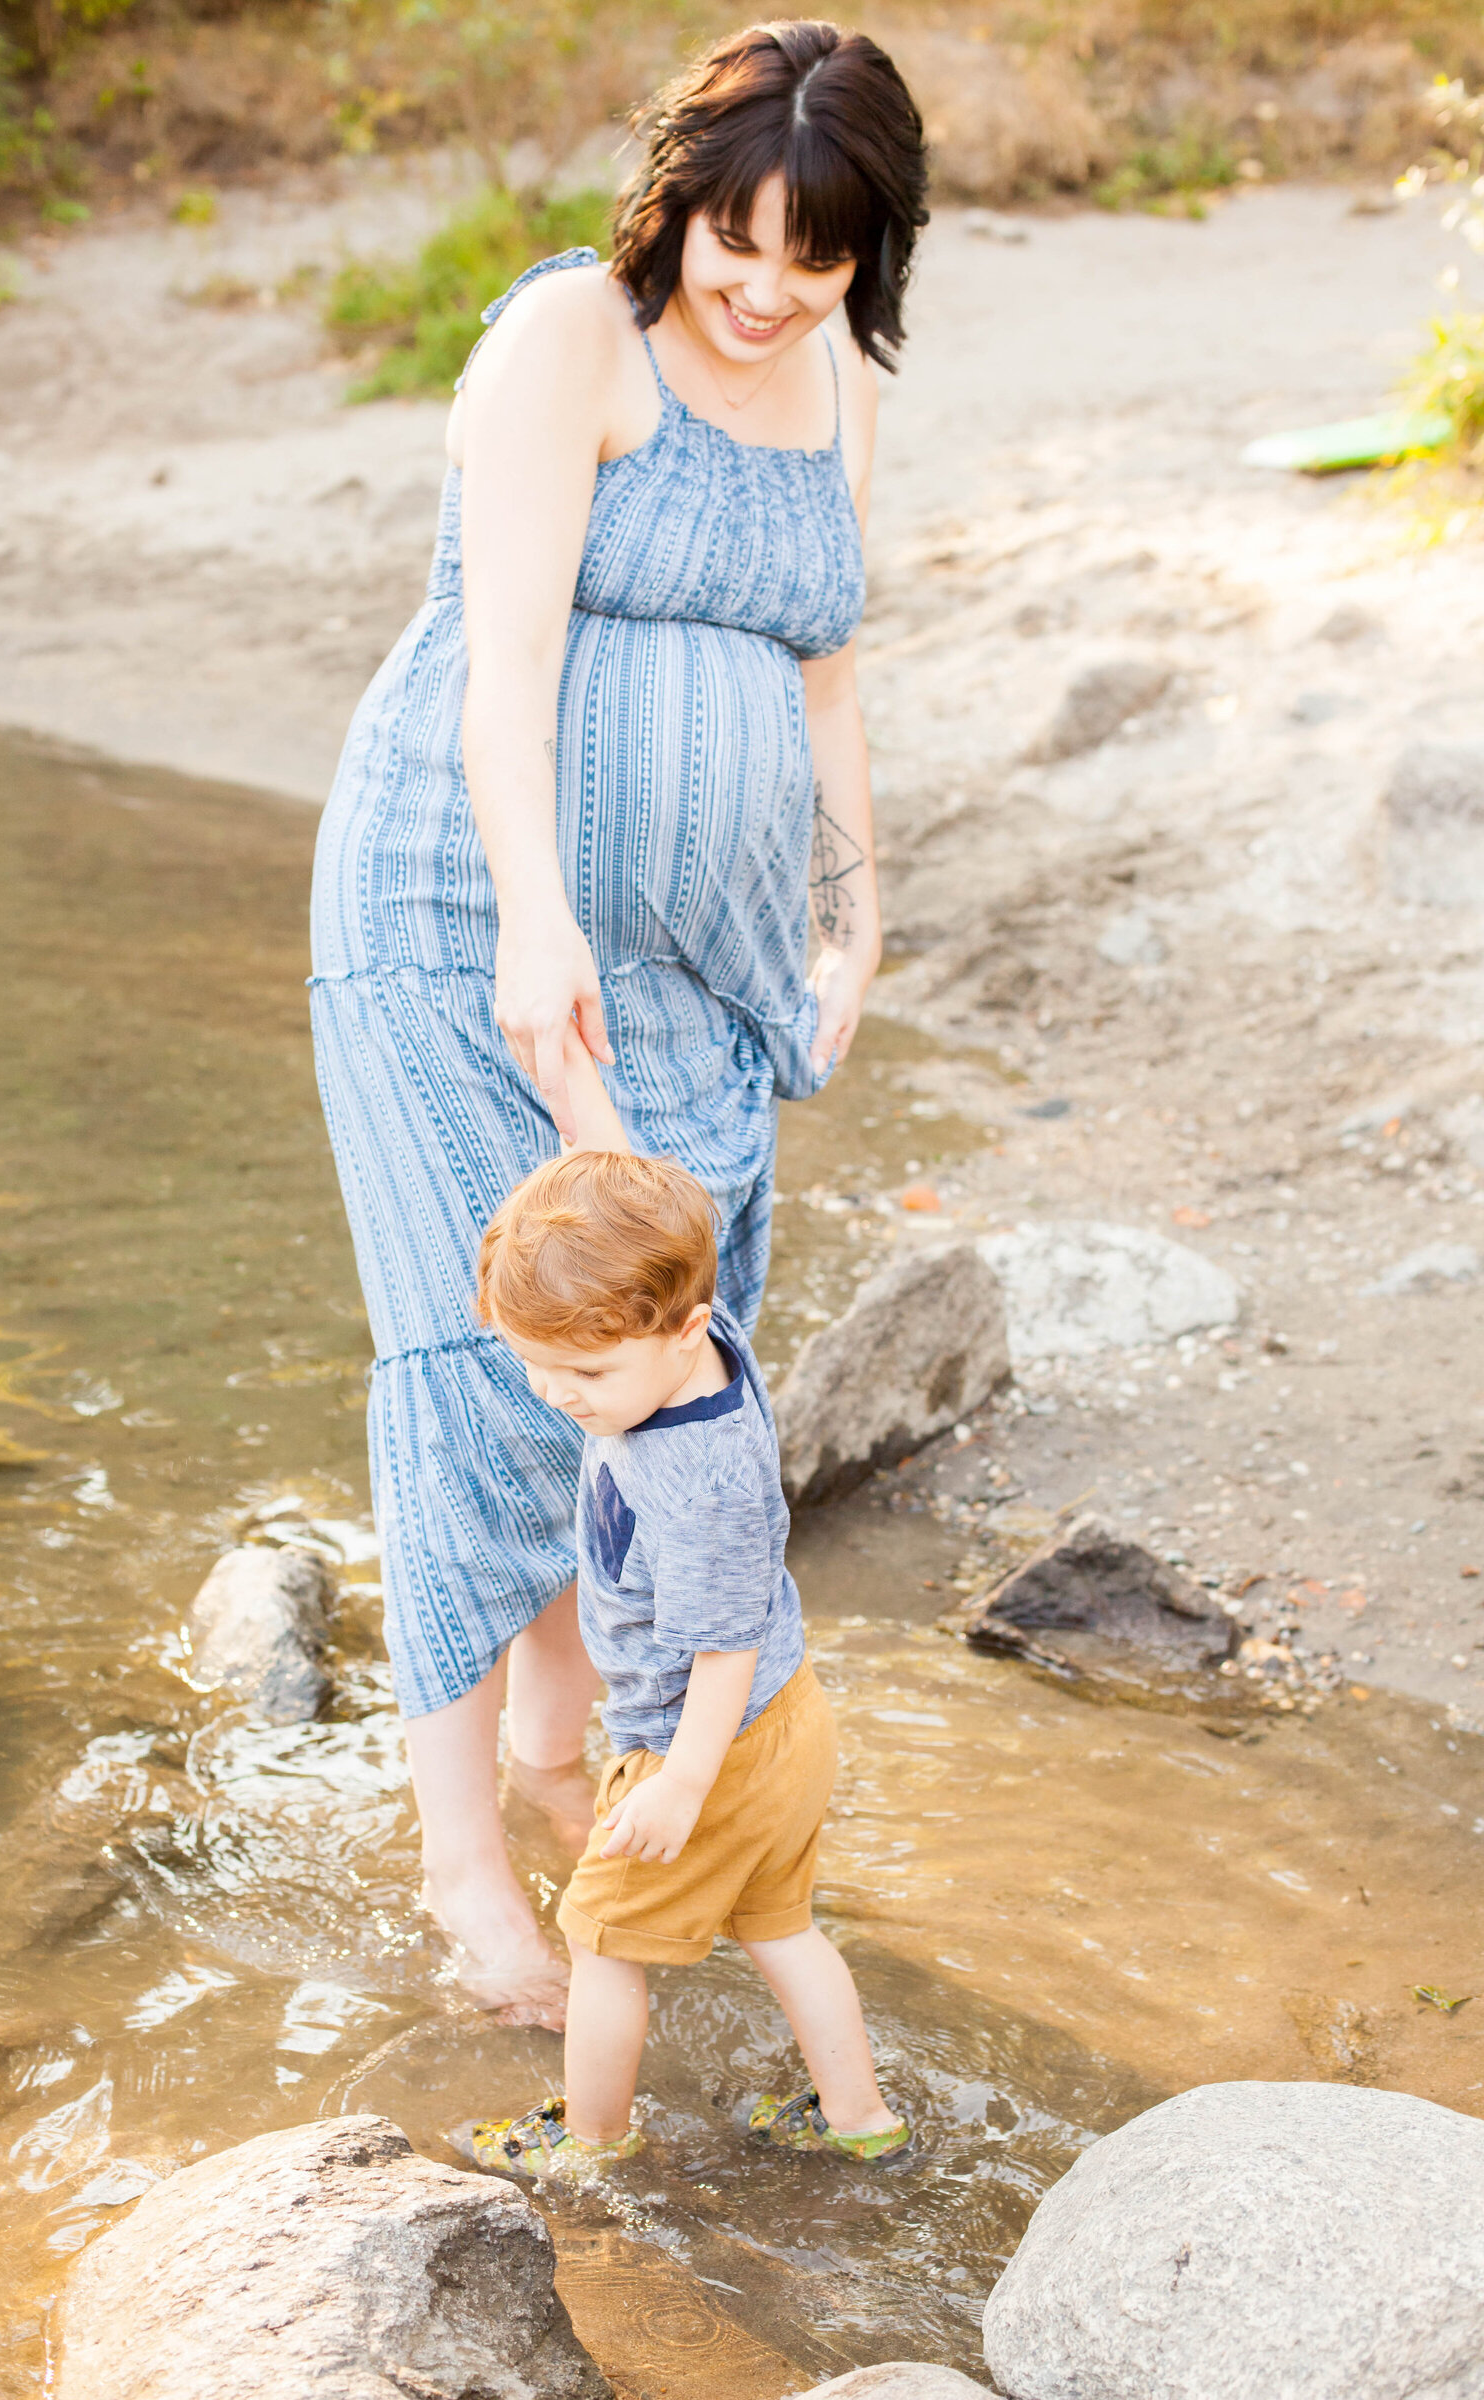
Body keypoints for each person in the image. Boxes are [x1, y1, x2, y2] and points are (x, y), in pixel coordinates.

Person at [308, 18, 928, 2024]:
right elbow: (502, 675)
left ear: (864, 261)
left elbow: (824, 684)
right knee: (489, 1366)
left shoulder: (825, 380)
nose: (762, 296)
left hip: (698, 971)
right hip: (457, 913)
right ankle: (464, 1864)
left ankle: (566, 1748)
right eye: (734, 247)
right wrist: (537, 930)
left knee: (649, 1366)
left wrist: (854, 916)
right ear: (676, 209)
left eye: (812, 263)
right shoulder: (569, 334)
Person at [467, 1147, 909, 2174]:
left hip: (709, 1740)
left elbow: (723, 1646)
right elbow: (641, 1220)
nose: (557, 1393)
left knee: (602, 1944)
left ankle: (593, 2144)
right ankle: (859, 2123)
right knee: (781, 1928)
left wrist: (677, 1787)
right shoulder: (695, 1336)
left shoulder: (694, 1482)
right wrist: (579, 1096)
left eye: (586, 1372)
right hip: (786, 1718)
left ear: (681, 1330)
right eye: (532, 1362)